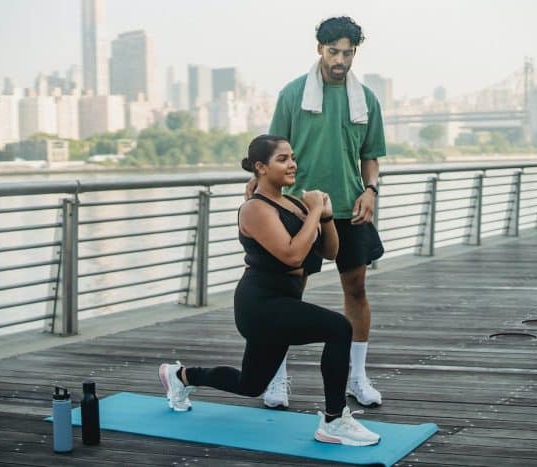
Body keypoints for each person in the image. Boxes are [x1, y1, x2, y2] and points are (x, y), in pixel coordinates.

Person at [158, 134, 380, 446]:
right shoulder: (254, 209)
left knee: (251, 384)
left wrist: (326, 215)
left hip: (282, 302)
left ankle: (179, 377)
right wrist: (314, 212)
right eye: (282, 159)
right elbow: (291, 254)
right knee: (339, 329)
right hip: (260, 305)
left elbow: (329, 252)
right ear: (261, 167)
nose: (292, 164)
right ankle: (333, 420)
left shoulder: (291, 202)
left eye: (292, 157)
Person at [247, 16, 386, 409]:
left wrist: (370, 190)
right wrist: (258, 194)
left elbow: (370, 156)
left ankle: (357, 378)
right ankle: (276, 379)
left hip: (349, 208)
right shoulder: (293, 94)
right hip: (298, 208)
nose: (340, 60)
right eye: (333, 51)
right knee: (288, 296)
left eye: (348, 52)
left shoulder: (367, 99)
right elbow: (270, 150)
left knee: (356, 290)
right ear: (319, 49)